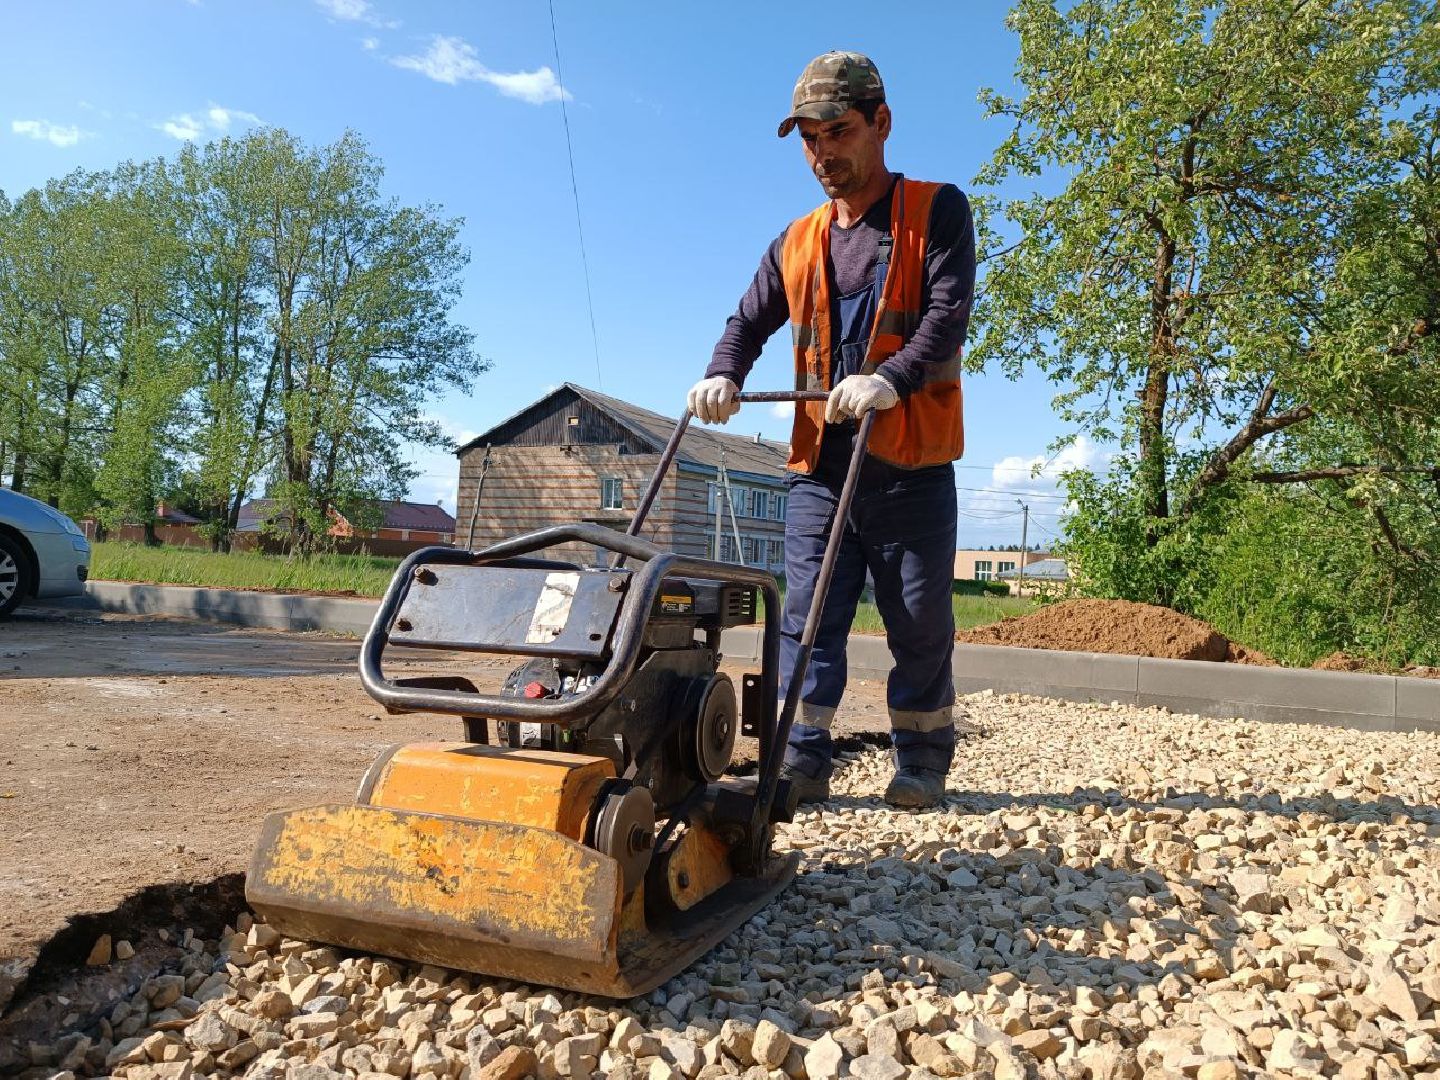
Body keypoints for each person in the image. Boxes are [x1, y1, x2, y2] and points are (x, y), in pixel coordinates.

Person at [687, 50, 975, 810]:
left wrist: (889, 380)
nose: (822, 154)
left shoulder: (937, 211)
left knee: (917, 623)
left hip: (909, 467)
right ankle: (799, 757)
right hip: (820, 467)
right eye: (809, 138)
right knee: (807, 621)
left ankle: (920, 760)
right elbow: (747, 321)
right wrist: (724, 374)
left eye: (837, 132)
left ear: (880, 123)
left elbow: (945, 318)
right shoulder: (799, 239)